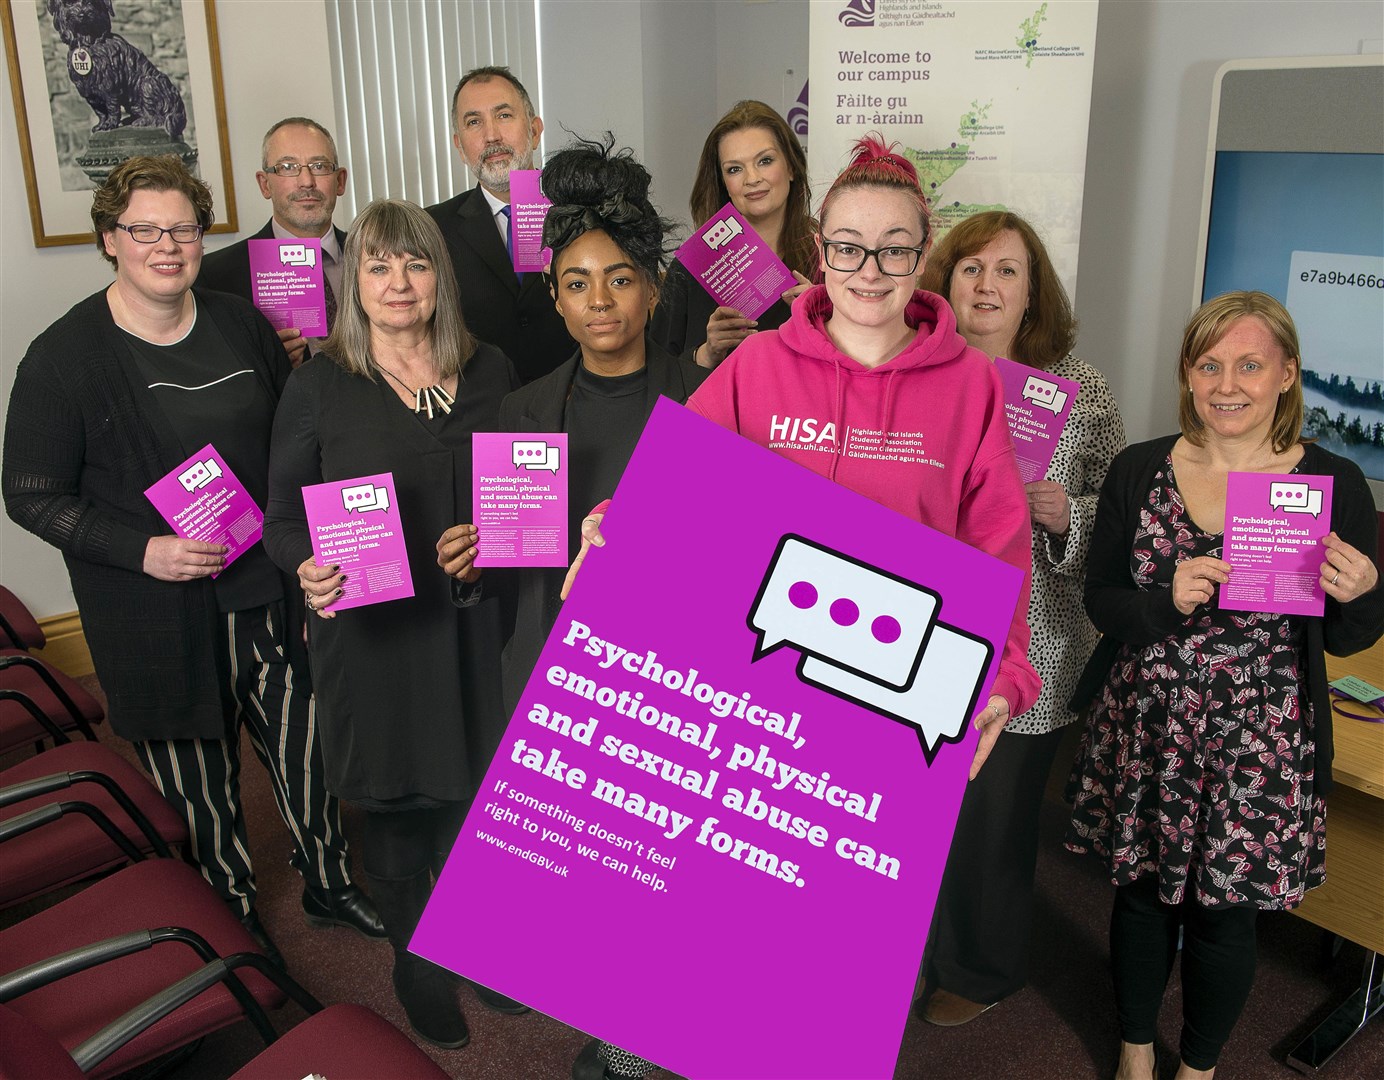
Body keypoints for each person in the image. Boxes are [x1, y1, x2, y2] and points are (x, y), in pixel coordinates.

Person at [2, 155, 379, 965]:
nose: (166, 245)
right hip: (153, 607)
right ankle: (229, 908)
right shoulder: (64, 358)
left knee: (301, 741)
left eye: (183, 227)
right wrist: (142, 550)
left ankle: (327, 876)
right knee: (196, 773)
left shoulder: (242, 324)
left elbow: (292, 447)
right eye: (145, 229)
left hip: (262, 584)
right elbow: (29, 494)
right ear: (111, 239)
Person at [1065, 291, 1382, 1080]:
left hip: (1261, 739)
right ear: (1188, 372)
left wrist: (1365, 589)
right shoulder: (1141, 467)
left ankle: (1199, 1066)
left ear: (1287, 376)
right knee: (1140, 897)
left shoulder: (1333, 484)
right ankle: (1136, 1048)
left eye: (1249, 364)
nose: (1227, 382)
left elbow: (1350, 636)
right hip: (1148, 724)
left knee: (1223, 915)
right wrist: (1161, 601)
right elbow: (1101, 597)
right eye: (1209, 364)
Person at [263, 199, 521, 1048]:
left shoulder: (491, 370)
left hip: (475, 630)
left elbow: (523, 502)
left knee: (481, 794)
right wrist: (304, 567)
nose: (398, 282)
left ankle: (482, 942)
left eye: (414, 264)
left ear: (438, 276)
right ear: (355, 284)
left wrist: (493, 543)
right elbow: (281, 518)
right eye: (378, 266)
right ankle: (416, 961)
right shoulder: (319, 383)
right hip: (375, 639)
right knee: (403, 805)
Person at [913, 211, 1127, 1024]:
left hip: (1032, 631)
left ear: (1032, 288)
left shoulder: (1081, 387)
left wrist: (1065, 509)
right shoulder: (917, 372)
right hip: (926, 626)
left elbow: (1124, 511)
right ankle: (908, 951)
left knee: (994, 818)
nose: (987, 285)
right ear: (944, 282)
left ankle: (980, 967)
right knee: (914, 811)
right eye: (970, 269)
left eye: (1006, 270)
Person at [439, 134, 707, 720]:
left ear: (654, 291)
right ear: (557, 300)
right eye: (578, 284)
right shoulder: (522, 410)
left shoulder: (707, 404)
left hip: (672, 678)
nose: (600, 301)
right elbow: (517, 568)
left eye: (620, 279)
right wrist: (479, 563)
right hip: (552, 675)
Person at [426, 65, 573, 382]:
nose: (490, 135)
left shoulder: (582, 213)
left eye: (504, 115)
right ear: (459, 146)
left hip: (577, 402)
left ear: (534, 130)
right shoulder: (431, 228)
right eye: (474, 122)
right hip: (481, 415)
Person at [650, 100, 816, 369]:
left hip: (798, 412)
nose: (752, 178)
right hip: (708, 410)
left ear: (792, 167)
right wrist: (705, 354)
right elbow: (656, 373)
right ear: (724, 184)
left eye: (765, 161)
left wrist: (823, 319)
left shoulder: (830, 258)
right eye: (734, 169)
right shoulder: (692, 268)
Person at [199, 117, 349, 366]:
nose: (306, 181)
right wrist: (261, 360)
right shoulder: (215, 278)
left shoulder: (374, 258)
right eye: (288, 167)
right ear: (265, 184)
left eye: (319, 166)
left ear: (340, 180)